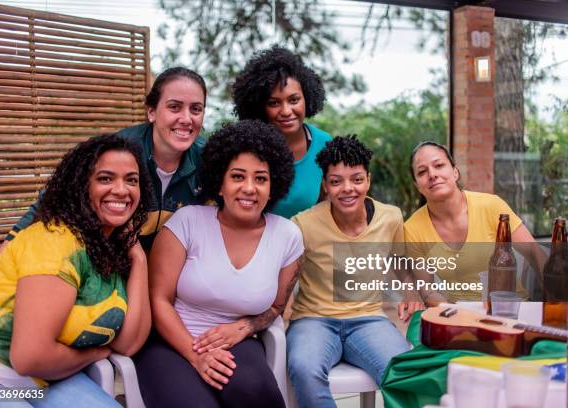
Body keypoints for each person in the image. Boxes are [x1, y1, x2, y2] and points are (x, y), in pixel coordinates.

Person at [0, 67, 208, 287]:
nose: (186, 119)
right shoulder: (120, 151)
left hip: (172, 282)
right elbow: (50, 203)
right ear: (151, 112)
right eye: (174, 107)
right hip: (110, 270)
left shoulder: (209, 160)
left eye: (196, 109)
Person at [133, 120, 304, 408]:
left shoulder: (288, 236)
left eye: (261, 179)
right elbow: (158, 300)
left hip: (237, 341)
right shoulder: (187, 222)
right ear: (220, 183)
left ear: (273, 186)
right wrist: (195, 353)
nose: (249, 188)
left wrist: (245, 327)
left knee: (260, 395)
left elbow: (276, 306)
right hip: (169, 341)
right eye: (238, 177)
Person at [0, 134, 152, 407]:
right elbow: (30, 357)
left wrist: (139, 259)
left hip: (44, 380)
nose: (121, 189)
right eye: (105, 178)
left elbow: (128, 344)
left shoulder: (107, 248)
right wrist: (92, 355)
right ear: (82, 187)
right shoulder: (56, 241)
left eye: (131, 180)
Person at [286, 135, 421, 408]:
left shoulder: (390, 217)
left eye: (356, 179)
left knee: (404, 373)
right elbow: (285, 283)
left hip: (369, 319)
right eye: (336, 181)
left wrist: (410, 289)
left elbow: (399, 262)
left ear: (368, 180)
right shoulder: (302, 224)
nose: (347, 189)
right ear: (325, 184)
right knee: (304, 369)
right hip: (314, 320)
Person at [404, 141, 542, 303]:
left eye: (439, 165)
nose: (432, 174)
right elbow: (426, 289)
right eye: (422, 172)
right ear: (417, 185)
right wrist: (454, 312)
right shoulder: (412, 228)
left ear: (455, 172)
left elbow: (534, 252)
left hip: (509, 310)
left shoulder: (491, 206)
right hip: (457, 315)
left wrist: (560, 299)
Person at [232, 46, 332, 219]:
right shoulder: (246, 147)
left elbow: (328, 209)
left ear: (307, 98)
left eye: (294, 100)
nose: (286, 111)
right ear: (260, 107)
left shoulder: (325, 145)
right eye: (274, 103)